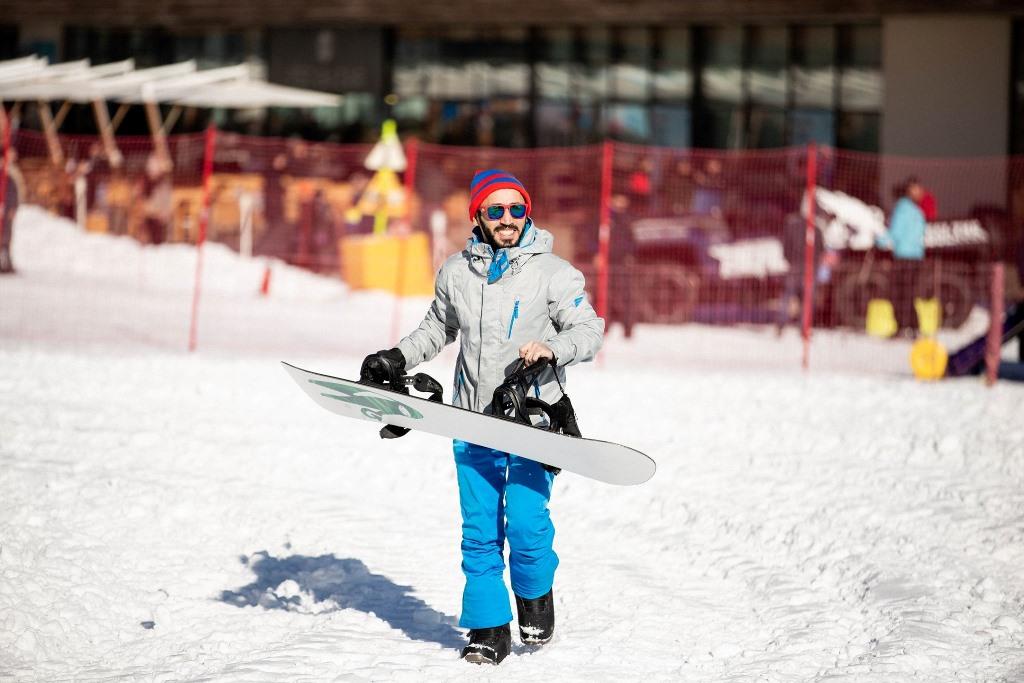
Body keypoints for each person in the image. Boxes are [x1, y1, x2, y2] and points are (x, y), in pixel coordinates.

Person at [360, 169, 604, 665]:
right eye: (496, 210)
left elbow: (589, 330)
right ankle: (487, 629)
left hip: (532, 421)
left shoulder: (554, 273)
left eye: (517, 209)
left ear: (527, 212)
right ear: (479, 215)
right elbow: (437, 328)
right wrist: (398, 359)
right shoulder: (456, 272)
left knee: (529, 527)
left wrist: (553, 349)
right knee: (479, 531)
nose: (508, 219)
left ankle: (535, 600)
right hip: (472, 421)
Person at [877, 178, 927, 334]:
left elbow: (895, 233)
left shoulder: (901, 209)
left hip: (903, 257)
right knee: (910, 293)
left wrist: (878, 241)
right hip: (916, 258)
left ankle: (902, 326)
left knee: (898, 294)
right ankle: (914, 327)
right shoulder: (918, 212)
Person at [0, 153, 24, 275]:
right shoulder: (4, 175)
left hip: (7, 212)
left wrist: (13, 208)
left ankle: (6, 263)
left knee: (6, 238)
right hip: (2, 211)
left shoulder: (10, 176)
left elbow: (14, 194)